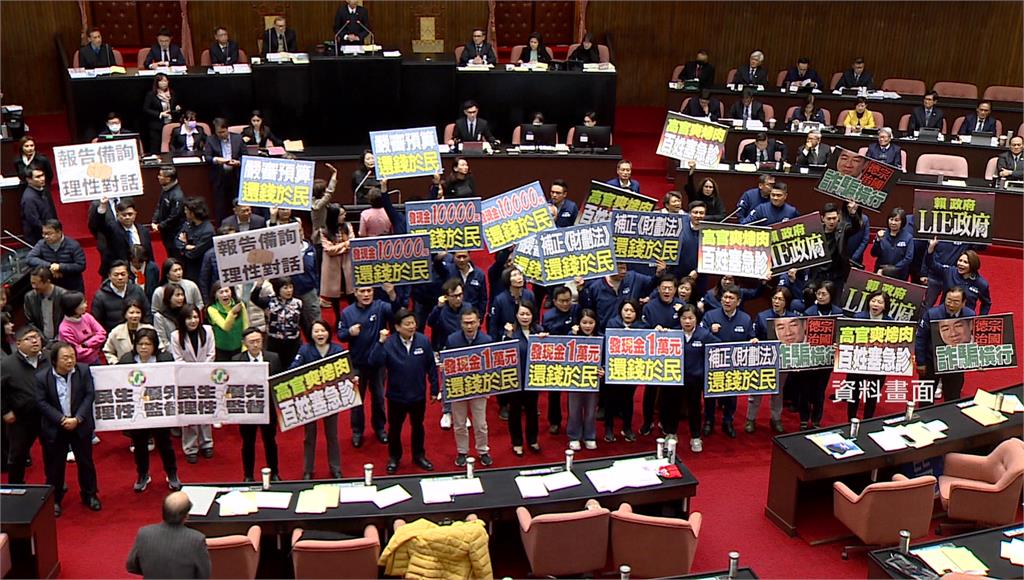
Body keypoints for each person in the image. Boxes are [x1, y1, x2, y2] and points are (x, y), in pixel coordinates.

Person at [369, 309, 439, 474]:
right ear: (397, 327)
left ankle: (419, 455)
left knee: (418, 427)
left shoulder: (423, 341)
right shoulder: (389, 343)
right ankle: (394, 457)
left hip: (418, 394)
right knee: (395, 429)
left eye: (413, 323)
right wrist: (380, 343)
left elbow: (431, 366)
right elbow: (374, 362)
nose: (411, 326)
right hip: (396, 396)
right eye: (407, 324)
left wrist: (435, 388)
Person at [37, 341, 101, 516]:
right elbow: (41, 402)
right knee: (55, 466)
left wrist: (78, 418)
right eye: (65, 358)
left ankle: (90, 495)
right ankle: (55, 499)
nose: (70, 361)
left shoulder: (83, 370)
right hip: (56, 427)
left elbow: (89, 395)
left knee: (86, 462)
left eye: (72, 356)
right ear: (54, 360)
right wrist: (61, 419)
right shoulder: (42, 377)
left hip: (80, 425)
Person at [118, 328, 181, 492]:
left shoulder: (164, 359)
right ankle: (142, 474)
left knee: (165, 444)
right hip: (137, 411)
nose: (144, 347)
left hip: (158, 410)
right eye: (140, 344)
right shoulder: (127, 360)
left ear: (154, 345)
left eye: (148, 344)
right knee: (140, 445)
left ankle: (172, 474)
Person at [338, 285, 400, 448]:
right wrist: (349, 332)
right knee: (357, 400)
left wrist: (392, 293)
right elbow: (340, 334)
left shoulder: (381, 307)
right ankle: (357, 431)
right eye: (362, 291)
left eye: (369, 291)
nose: (366, 294)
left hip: (378, 363)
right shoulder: (347, 312)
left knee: (379, 398)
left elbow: (397, 312)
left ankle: (380, 428)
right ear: (355, 293)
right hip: (357, 363)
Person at [292, 320, 344, 479]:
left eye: (323, 330)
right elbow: (293, 368)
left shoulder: (337, 349)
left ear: (328, 332)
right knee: (309, 436)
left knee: (332, 435)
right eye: (316, 331)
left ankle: (335, 468)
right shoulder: (305, 350)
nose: (320, 334)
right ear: (311, 334)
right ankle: (308, 470)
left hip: (331, 398)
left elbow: (347, 370)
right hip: (310, 399)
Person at [700, 285, 754, 438]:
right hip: (713, 363)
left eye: (731, 298)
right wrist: (709, 330)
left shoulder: (745, 318)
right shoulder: (710, 316)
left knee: (731, 395)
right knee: (710, 394)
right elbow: (700, 335)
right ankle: (709, 421)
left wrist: (754, 340)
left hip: (734, 365)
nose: (727, 301)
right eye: (725, 297)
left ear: (738, 302)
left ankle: (728, 421)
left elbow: (751, 336)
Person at [445, 308, 493, 467]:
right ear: (461, 324)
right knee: (459, 423)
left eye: (472, 322)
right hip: (459, 387)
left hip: (479, 387)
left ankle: (483, 450)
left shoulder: (486, 340)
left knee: (480, 424)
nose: (469, 326)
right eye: (466, 323)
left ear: (479, 322)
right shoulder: (452, 340)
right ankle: (462, 451)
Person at [2, 326, 49, 484]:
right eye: (29, 338)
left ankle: (55, 485)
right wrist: (5, 411)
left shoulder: (49, 358)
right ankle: (16, 486)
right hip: (21, 418)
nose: (35, 341)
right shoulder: (7, 364)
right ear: (18, 343)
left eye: (37, 337)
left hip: (48, 415)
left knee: (52, 451)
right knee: (18, 455)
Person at [232, 328, 281, 481]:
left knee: (270, 441)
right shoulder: (236, 360)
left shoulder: (273, 358)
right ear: (244, 343)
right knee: (248, 443)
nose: (255, 345)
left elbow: (279, 383)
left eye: (258, 341)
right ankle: (248, 475)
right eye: (252, 342)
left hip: (268, 409)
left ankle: (274, 473)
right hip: (247, 410)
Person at [126, 491, 210, 579]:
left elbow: (131, 566)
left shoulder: (144, 533)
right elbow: (203, 575)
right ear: (186, 516)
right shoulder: (196, 540)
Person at [170, 305, 216, 463]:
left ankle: (207, 443)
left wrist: (201, 371)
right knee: (189, 412)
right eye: (189, 318)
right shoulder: (176, 336)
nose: (193, 321)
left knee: (205, 410)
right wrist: (193, 372)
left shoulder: (208, 331)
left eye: (196, 317)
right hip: (186, 379)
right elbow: (178, 359)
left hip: (205, 377)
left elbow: (211, 354)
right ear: (183, 320)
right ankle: (190, 447)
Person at [640, 274, 684, 435]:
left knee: (669, 392)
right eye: (663, 288)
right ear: (658, 289)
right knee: (650, 391)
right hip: (653, 355)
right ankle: (647, 422)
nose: (666, 291)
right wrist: (653, 330)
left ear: (675, 290)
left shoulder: (681, 306)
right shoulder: (649, 307)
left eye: (670, 288)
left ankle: (665, 422)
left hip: (674, 356)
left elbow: (688, 326)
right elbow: (642, 328)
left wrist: (672, 330)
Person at [916, 287, 975, 403]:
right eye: (949, 300)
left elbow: (972, 338)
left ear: (963, 303)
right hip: (932, 361)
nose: (951, 304)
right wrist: (921, 362)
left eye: (956, 302)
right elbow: (920, 338)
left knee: (953, 398)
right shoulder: (932, 314)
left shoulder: (970, 315)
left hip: (955, 363)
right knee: (925, 398)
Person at [800, 281, 843, 429]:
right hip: (810, 356)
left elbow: (841, 333)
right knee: (805, 390)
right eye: (818, 293)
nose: (820, 297)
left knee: (819, 390)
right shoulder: (809, 312)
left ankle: (816, 420)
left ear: (831, 295)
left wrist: (838, 344)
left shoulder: (838, 313)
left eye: (824, 294)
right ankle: (804, 419)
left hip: (827, 358)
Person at [502, 302, 543, 456]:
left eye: (528, 314)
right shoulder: (511, 332)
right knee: (515, 412)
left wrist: (545, 340)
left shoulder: (539, 331)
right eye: (522, 314)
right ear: (516, 315)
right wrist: (507, 337)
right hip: (515, 379)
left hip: (533, 378)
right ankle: (517, 442)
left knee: (532, 411)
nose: (525, 317)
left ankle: (532, 440)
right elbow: (503, 355)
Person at [604, 299, 646, 442]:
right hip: (614, 367)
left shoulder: (642, 327)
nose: (628, 313)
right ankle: (609, 428)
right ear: (620, 311)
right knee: (610, 399)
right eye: (626, 310)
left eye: (632, 311)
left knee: (628, 399)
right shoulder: (612, 323)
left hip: (632, 369)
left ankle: (627, 428)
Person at [846, 291, 892, 420]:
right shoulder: (858, 317)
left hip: (878, 364)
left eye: (880, 302)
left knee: (872, 394)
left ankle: (868, 421)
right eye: (873, 301)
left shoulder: (890, 322)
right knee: (854, 393)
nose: (875, 304)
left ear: (885, 306)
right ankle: (850, 420)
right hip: (858, 362)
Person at [679, 305, 717, 452]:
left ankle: (695, 437)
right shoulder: (673, 334)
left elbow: (720, 347)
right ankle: (671, 433)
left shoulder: (704, 335)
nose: (687, 321)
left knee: (694, 409)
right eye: (684, 318)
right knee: (672, 407)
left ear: (696, 319)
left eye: (691, 318)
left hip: (695, 381)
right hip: (675, 379)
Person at [89, 198, 153, 277]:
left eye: (130, 214)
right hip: (119, 273)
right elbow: (99, 224)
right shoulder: (112, 229)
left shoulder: (143, 231)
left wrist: (151, 270)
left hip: (141, 270)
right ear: (117, 215)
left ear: (135, 214)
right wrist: (102, 207)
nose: (127, 217)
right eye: (124, 215)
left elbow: (149, 253)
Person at [566, 309, 602, 451]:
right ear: (578, 323)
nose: (587, 326)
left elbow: (606, 359)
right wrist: (573, 335)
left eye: (591, 323)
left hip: (592, 380)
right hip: (575, 379)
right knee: (574, 410)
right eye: (584, 322)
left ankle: (589, 436)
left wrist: (603, 370)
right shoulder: (572, 336)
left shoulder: (600, 338)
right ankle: (574, 436)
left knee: (591, 411)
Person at [250, 277, 303, 366]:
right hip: (274, 341)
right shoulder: (269, 301)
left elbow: (302, 321)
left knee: (292, 366)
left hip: (293, 341)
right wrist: (259, 285)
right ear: (278, 289)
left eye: (290, 287)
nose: (289, 290)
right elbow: (254, 298)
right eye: (285, 288)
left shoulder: (298, 302)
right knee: (275, 365)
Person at [927, 242, 991, 315]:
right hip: (944, 315)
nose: (961, 264)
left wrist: (980, 318)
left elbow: (986, 303)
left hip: (965, 317)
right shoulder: (950, 272)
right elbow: (932, 264)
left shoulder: (981, 284)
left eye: (965, 262)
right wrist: (930, 249)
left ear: (973, 264)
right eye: (960, 260)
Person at [27, 220, 86, 293]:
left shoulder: (73, 245)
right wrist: (51, 266)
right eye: (44, 233)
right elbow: (30, 258)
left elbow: (81, 265)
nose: (46, 237)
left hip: (72, 286)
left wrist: (60, 267)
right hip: (51, 287)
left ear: (59, 232)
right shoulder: (41, 244)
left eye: (49, 233)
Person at [92, 261, 152, 332]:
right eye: (116, 275)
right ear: (109, 276)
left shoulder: (137, 290)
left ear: (128, 275)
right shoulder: (100, 296)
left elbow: (147, 313)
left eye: (123, 274)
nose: (120, 277)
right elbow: (97, 322)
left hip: (138, 332)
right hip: (113, 335)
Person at [321, 204, 355, 321]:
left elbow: (352, 243)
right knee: (334, 297)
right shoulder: (324, 230)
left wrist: (338, 247)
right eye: (341, 214)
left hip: (347, 264)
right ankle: (338, 319)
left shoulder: (348, 226)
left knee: (351, 294)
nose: (344, 216)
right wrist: (345, 245)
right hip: (333, 267)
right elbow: (329, 250)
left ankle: (352, 317)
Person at [204, 118, 243, 221]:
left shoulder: (238, 138)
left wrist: (238, 162)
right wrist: (216, 160)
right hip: (219, 177)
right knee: (220, 206)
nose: (221, 135)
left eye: (223, 132)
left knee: (237, 203)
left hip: (235, 176)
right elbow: (207, 157)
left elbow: (245, 155)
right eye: (218, 132)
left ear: (227, 129)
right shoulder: (210, 139)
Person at [58, 292, 107, 366]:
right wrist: (95, 348)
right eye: (82, 304)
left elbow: (102, 334)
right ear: (73, 307)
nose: (86, 305)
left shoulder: (87, 317)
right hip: (79, 365)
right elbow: (76, 352)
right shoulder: (65, 329)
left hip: (96, 360)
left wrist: (86, 344)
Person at [102, 300, 155, 364]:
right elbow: (108, 351)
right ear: (125, 314)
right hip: (124, 366)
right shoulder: (116, 331)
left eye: (138, 312)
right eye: (131, 313)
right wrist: (116, 363)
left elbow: (159, 349)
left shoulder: (149, 329)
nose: (135, 315)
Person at [24, 267, 67, 347]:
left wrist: (57, 340)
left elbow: (67, 320)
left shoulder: (63, 296)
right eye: (32, 283)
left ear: (47, 282)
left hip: (61, 341)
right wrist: (43, 340)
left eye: (36, 283)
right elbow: (30, 322)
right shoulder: (29, 297)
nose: (33, 286)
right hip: (41, 342)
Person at [176, 197, 215, 282]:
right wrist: (186, 246)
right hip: (187, 267)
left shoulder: (208, 231)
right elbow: (177, 241)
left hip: (200, 269)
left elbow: (193, 254)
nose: (185, 212)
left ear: (192, 213)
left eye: (186, 210)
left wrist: (184, 245)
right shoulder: (188, 224)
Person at [150, 167, 186, 257]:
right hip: (165, 230)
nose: (158, 177)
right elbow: (159, 206)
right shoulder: (165, 189)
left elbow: (175, 216)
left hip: (174, 232)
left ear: (168, 179)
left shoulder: (177, 195)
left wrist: (159, 226)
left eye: (161, 175)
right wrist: (154, 221)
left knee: (175, 254)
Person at [142, 74, 181, 154]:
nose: (164, 83)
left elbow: (174, 106)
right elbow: (146, 109)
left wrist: (177, 108)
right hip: (156, 125)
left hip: (169, 123)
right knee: (156, 145)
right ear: (157, 83)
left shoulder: (172, 93)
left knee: (169, 145)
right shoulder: (151, 94)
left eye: (165, 81)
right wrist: (160, 114)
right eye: (161, 81)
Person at [871, 208, 914, 279]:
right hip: (880, 272)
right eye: (891, 219)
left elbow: (908, 258)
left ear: (902, 222)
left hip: (899, 274)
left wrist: (891, 269)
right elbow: (874, 254)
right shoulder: (882, 234)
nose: (893, 223)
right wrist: (877, 241)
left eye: (896, 220)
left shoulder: (908, 237)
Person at [20, 167, 56, 245]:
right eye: (38, 177)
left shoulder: (44, 190)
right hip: (38, 238)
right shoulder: (29, 198)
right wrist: (50, 231)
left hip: (49, 232)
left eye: (42, 175)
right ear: (29, 180)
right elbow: (34, 221)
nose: (42, 179)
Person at [153, 283, 187, 349]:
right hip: (170, 350)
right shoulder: (159, 316)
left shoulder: (186, 312)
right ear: (169, 297)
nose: (181, 298)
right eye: (177, 295)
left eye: (182, 295)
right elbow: (163, 340)